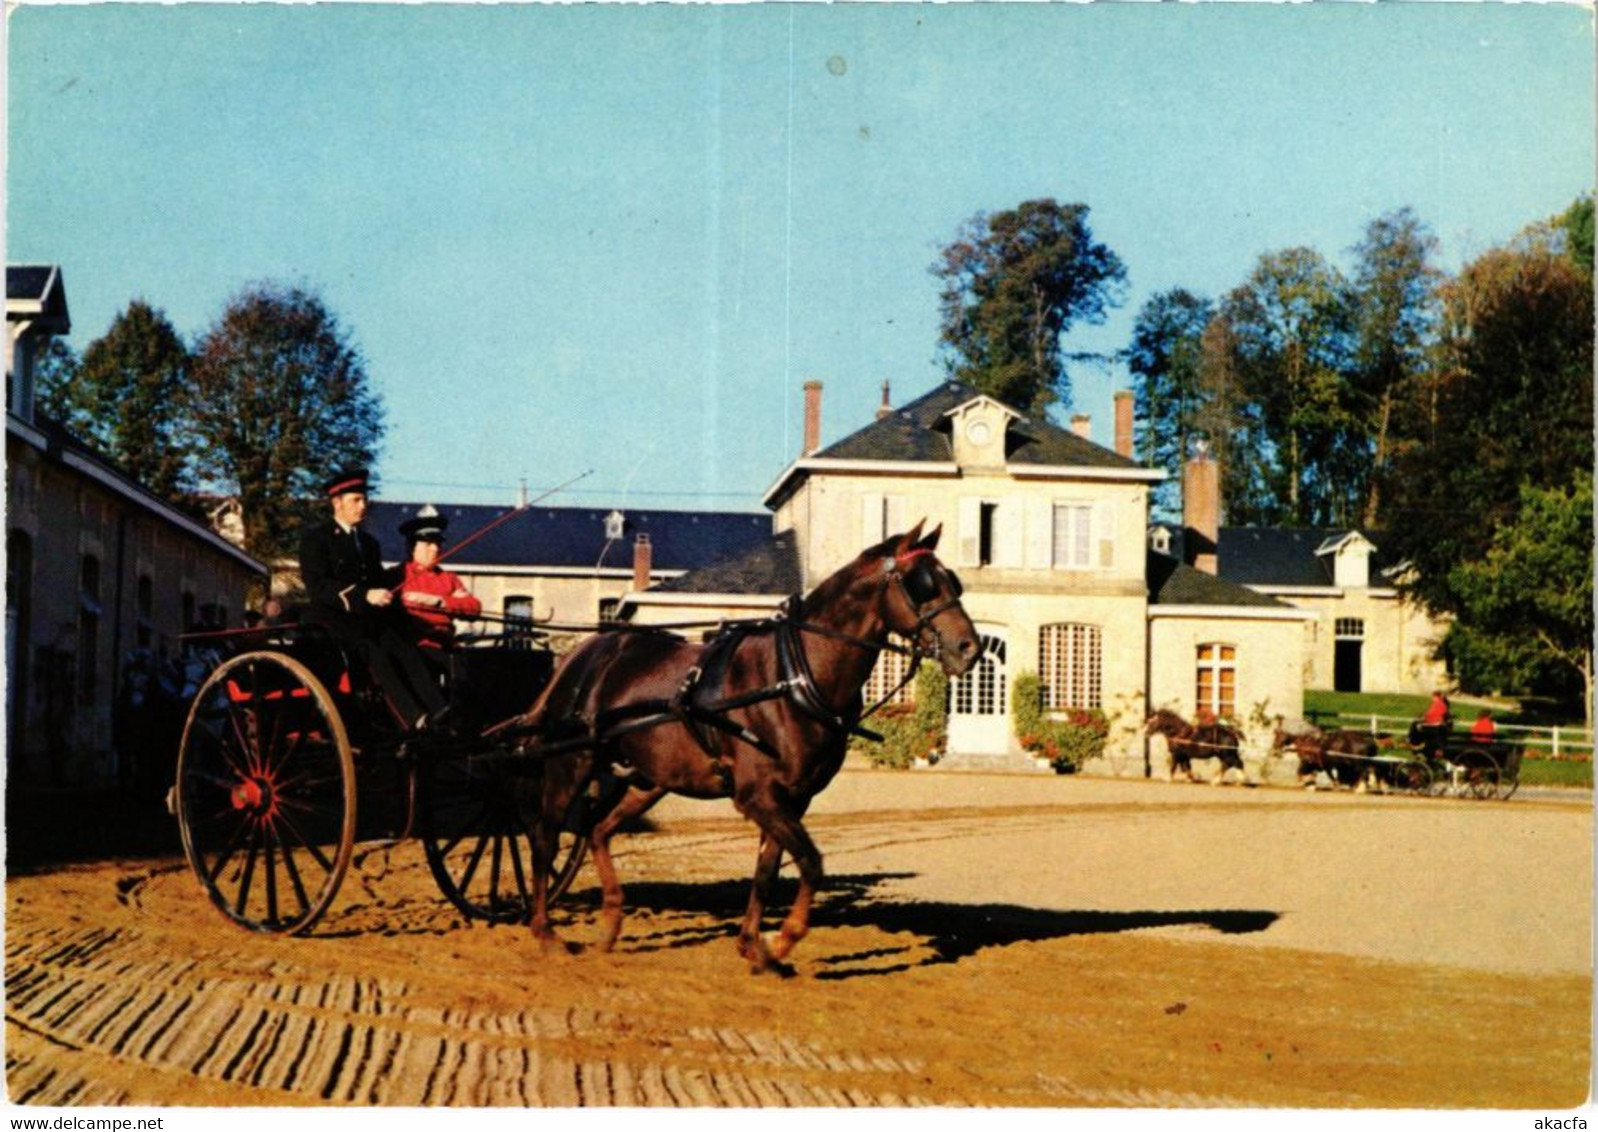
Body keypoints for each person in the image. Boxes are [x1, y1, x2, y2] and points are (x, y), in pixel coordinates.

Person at [298, 468, 448, 733]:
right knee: (375, 653)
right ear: (337, 502)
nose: (362, 506)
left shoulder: (368, 543)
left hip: (368, 621)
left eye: (364, 500)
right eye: (356, 500)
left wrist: (401, 582)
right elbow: (318, 587)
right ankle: (412, 718)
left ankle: (439, 710)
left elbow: (377, 580)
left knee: (404, 647)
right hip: (331, 623)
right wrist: (364, 595)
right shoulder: (316, 538)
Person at [396, 505, 482, 649]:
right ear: (411, 547)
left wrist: (439, 602)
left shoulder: (448, 578)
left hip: (446, 647)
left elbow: (474, 607)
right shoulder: (396, 575)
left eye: (438, 543)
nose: (435, 549)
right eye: (428, 543)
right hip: (412, 648)